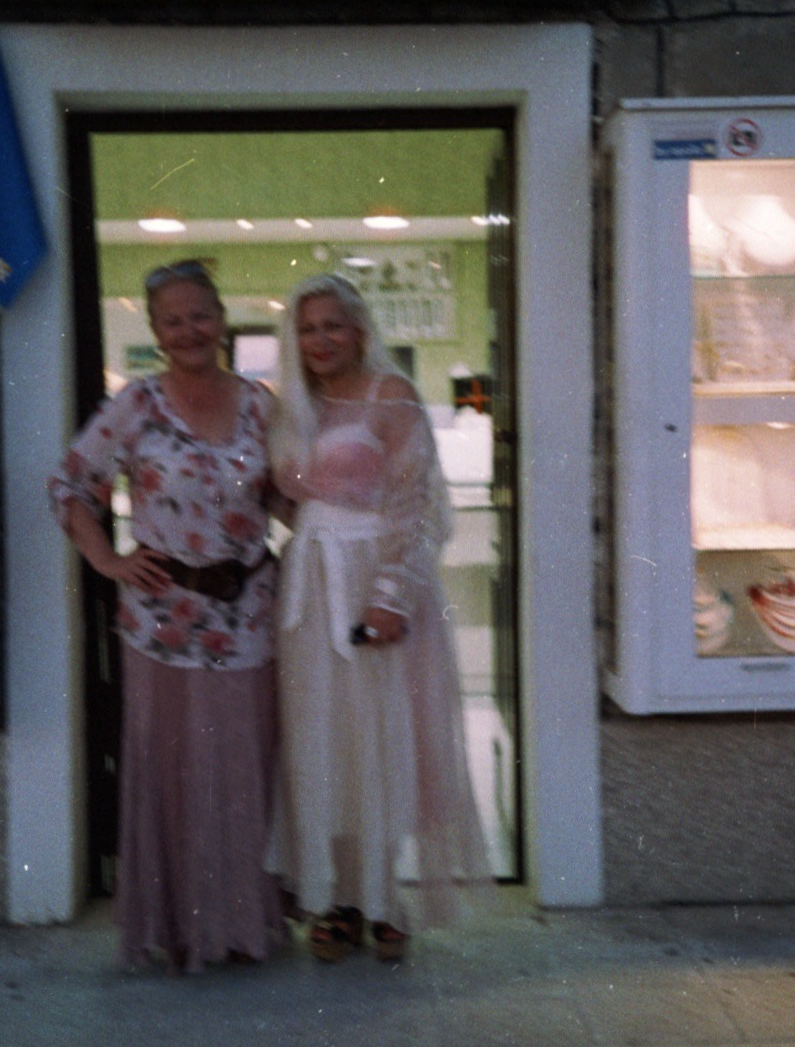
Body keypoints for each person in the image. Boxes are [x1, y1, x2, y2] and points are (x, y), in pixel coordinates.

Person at [49, 260, 283, 973]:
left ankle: (243, 928)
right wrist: (107, 560)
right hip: (162, 625)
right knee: (176, 774)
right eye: (173, 320)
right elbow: (70, 483)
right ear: (155, 330)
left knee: (243, 771)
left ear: (221, 318)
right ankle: (181, 930)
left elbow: (287, 496)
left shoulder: (259, 405)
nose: (189, 331)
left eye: (200, 316)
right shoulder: (137, 406)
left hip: (248, 618)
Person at [268, 274, 491, 963]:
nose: (321, 340)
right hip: (309, 591)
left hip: (374, 587)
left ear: (360, 330)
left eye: (333, 326)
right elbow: (286, 501)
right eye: (308, 329)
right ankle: (336, 898)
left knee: (383, 740)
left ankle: (385, 897)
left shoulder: (390, 397)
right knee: (322, 743)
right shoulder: (292, 406)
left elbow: (417, 506)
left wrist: (390, 597)